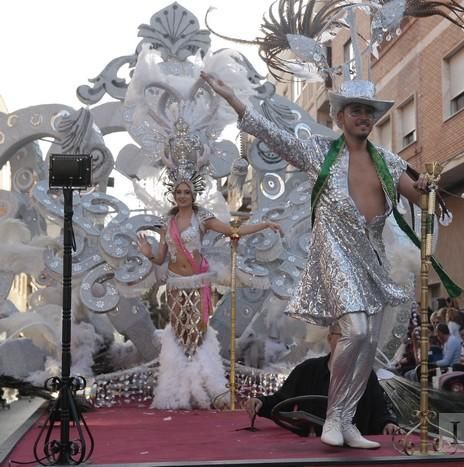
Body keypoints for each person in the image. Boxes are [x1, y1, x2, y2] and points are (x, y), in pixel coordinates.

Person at [202, 72, 442, 449]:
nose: (363, 116)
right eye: (356, 110)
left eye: (369, 111)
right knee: (356, 331)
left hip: (372, 262)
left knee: (366, 346)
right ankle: (335, 414)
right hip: (334, 255)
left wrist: (427, 188)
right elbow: (273, 135)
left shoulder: (389, 163)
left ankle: (346, 422)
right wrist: (232, 97)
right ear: (341, 117)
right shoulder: (319, 152)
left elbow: (419, 198)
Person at [137, 180, 281, 410]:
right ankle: (178, 392)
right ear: (173, 194)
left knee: (197, 333)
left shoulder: (202, 218)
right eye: (178, 192)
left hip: (197, 283)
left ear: (194, 195)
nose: (182, 196)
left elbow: (234, 231)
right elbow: (161, 258)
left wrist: (264, 224)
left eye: (186, 192)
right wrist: (148, 254)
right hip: (174, 282)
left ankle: (204, 389)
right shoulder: (167, 222)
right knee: (178, 333)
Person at [244, 324, 399, 437]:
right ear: (330, 338)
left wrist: (388, 424)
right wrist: (260, 402)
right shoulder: (307, 370)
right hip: (311, 449)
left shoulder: (365, 375)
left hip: (352, 452)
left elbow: (381, 413)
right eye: (341, 336)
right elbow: (281, 400)